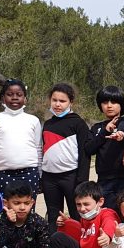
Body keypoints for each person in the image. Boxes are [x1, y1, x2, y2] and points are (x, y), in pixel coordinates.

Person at [41, 83, 91, 232]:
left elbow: (84, 154)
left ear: (71, 102)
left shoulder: (78, 123)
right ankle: (53, 243)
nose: (57, 104)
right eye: (54, 100)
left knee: (76, 214)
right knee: (53, 215)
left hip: (71, 177)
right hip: (49, 178)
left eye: (62, 101)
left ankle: (79, 243)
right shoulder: (47, 124)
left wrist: (82, 180)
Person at [0, 79, 42, 197]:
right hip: (5, 174)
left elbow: (38, 149)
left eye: (19, 95)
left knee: (27, 206)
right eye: (10, 94)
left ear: (25, 98)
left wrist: (41, 175)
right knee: (6, 207)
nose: (14, 98)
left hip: (30, 173)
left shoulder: (33, 120)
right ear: (2, 98)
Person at [85, 85, 124, 216]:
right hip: (104, 181)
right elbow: (89, 149)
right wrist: (105, 132)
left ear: (121, 104)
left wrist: (120, 133)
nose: (109, 105)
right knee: (107, 214)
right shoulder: (97, 128)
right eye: (105, 102)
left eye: (114, 102)